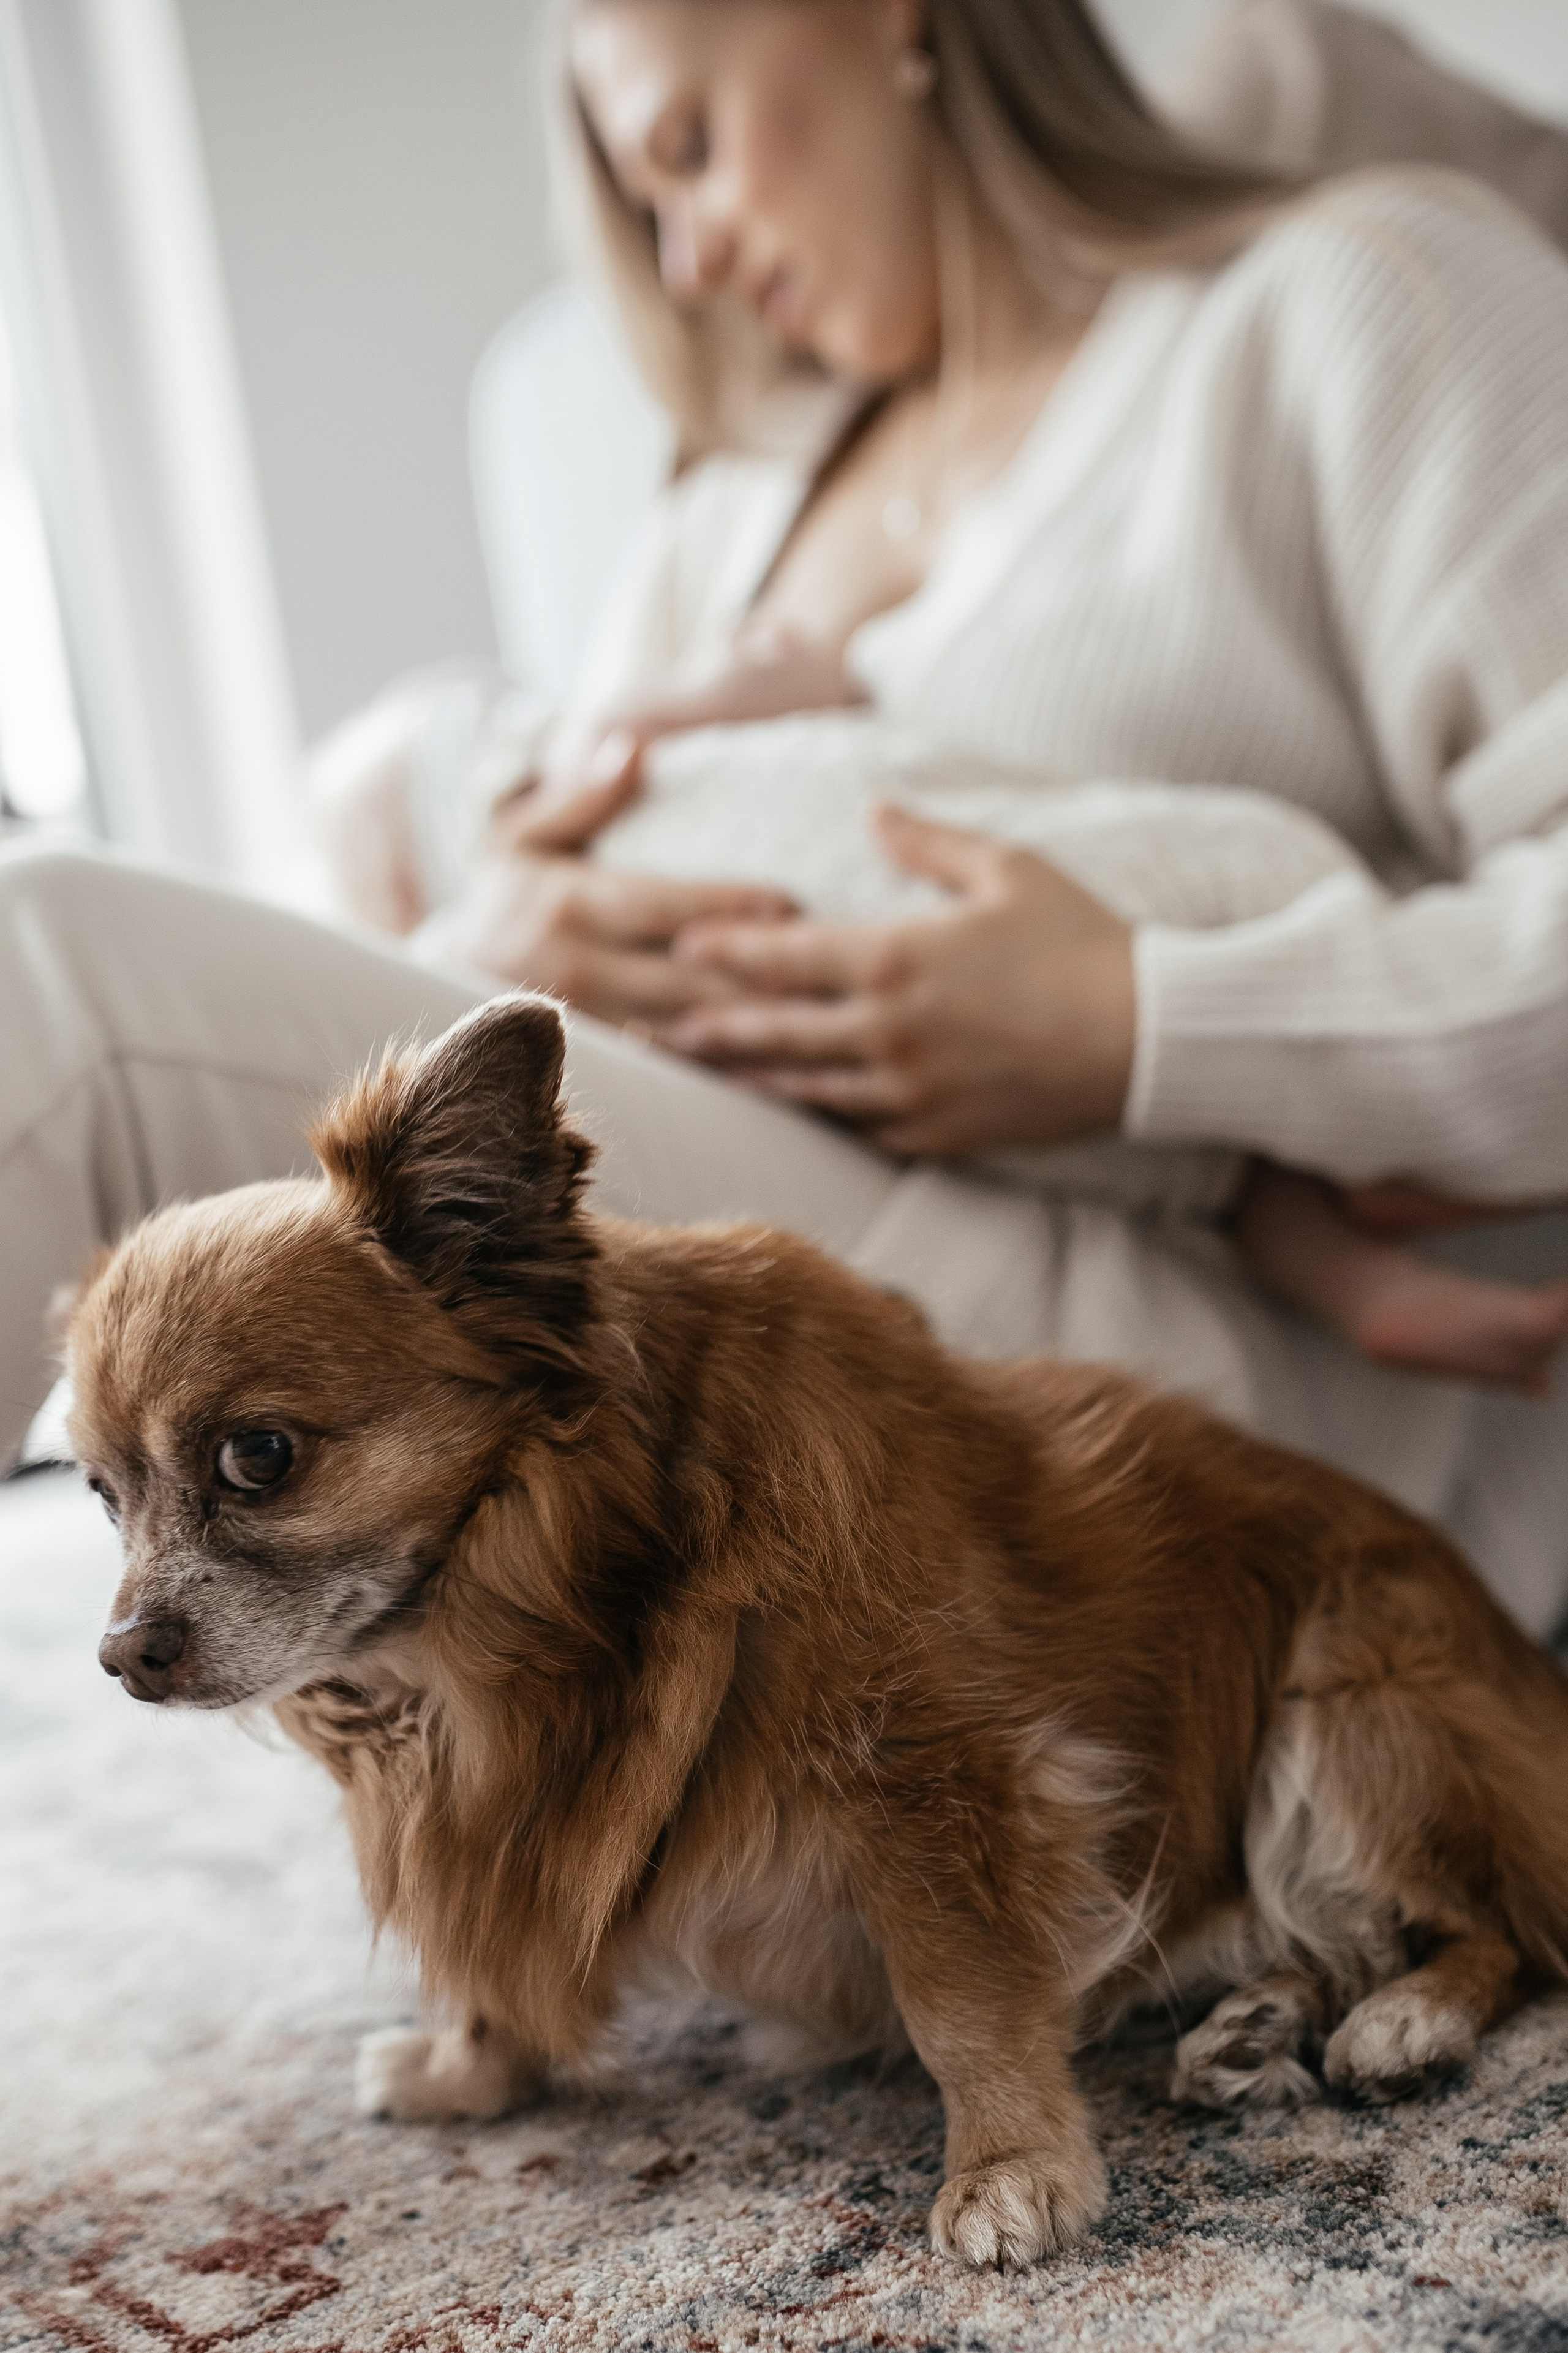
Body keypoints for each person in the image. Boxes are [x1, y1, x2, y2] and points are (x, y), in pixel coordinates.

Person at [6, 0, 1568, 1641]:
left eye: (687, 148)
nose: (683, 263)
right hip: (796, 1267)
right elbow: (586, 874)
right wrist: (495, 951)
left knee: (59, 986)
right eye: (644, 205)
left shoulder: (1352, 302)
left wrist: (1134, 1027)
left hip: (1229, 1367)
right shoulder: (729, 514)